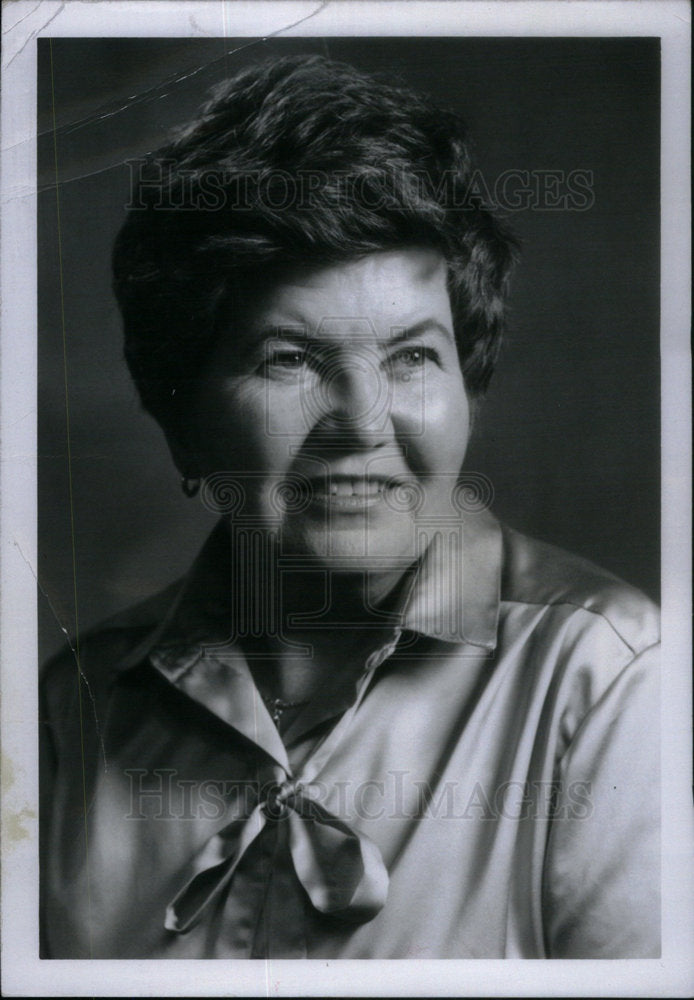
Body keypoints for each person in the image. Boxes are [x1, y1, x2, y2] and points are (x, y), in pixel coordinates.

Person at [39, 54, 660, 959]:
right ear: (181, 417)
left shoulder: (605, 681)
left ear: (468, 384)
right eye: (288, 359)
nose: (362, 424)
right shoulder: (68, 715)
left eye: (412, 357)